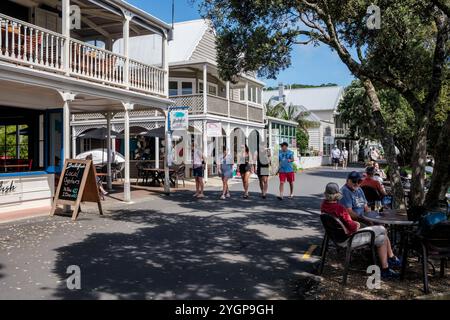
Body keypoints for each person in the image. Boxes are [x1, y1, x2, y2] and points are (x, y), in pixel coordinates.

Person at [321, 182, 401, 279]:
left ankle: (387, 266)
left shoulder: (323, 206)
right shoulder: (340, 209)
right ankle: (389, 263)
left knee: (382, 238)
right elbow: (353, 227)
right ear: (337, 194)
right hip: (348, 239)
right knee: (382, 229)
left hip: (336, 238)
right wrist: (358, 224)